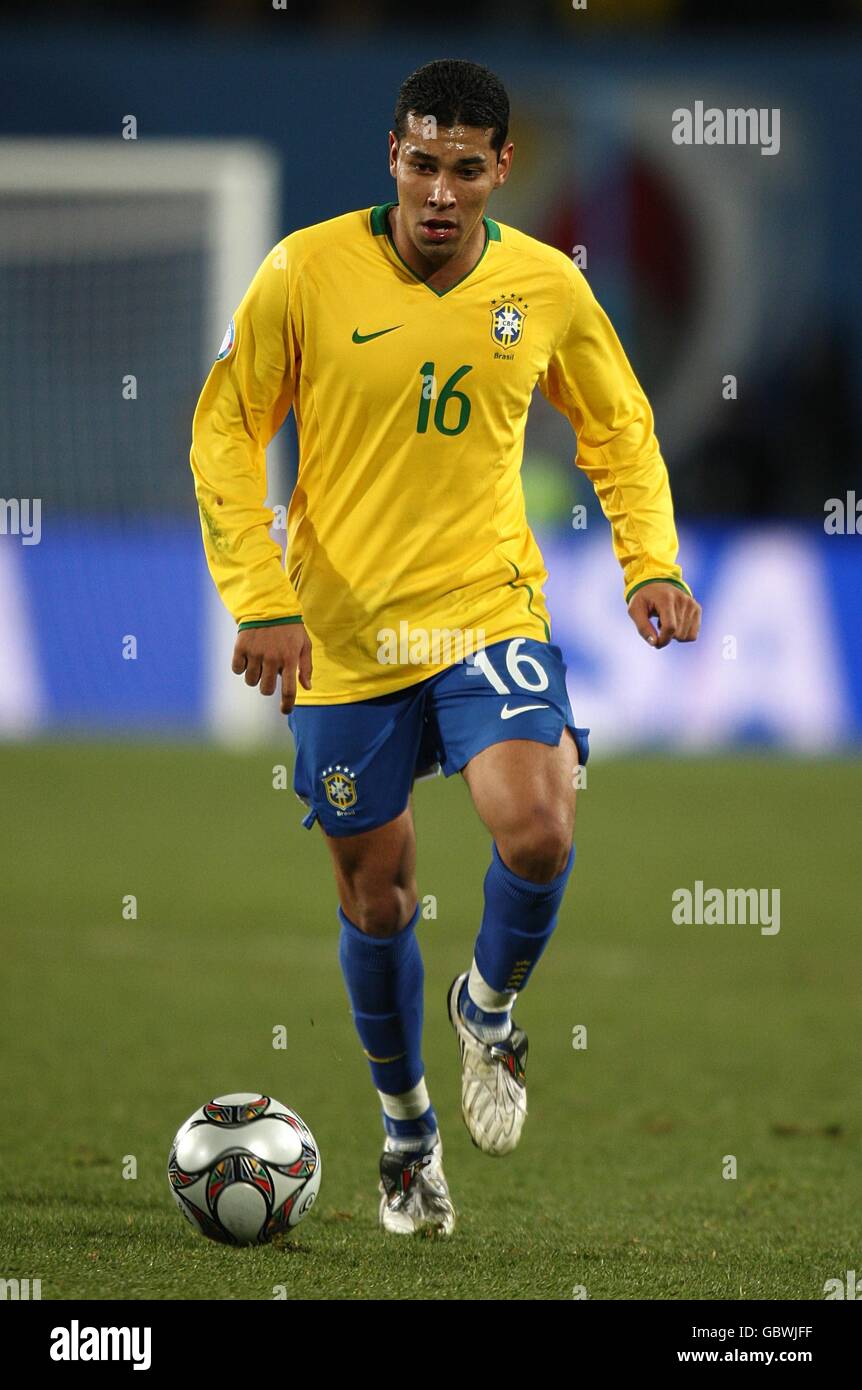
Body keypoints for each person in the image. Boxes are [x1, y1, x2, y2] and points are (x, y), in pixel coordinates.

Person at [190, 58, 701, 1237]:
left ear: (499, 171)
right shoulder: (304, 271)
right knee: (378, 900)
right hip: (343, 640)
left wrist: (651, 561)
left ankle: (488, 1008)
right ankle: (406, 1131)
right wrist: (257, 593)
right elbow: (225, 430)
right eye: (420, 163)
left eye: (464, 169)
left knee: (540, 818)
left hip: (486, 611)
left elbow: (618, 424)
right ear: (392, 156)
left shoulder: (544, 286)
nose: (438, 191)